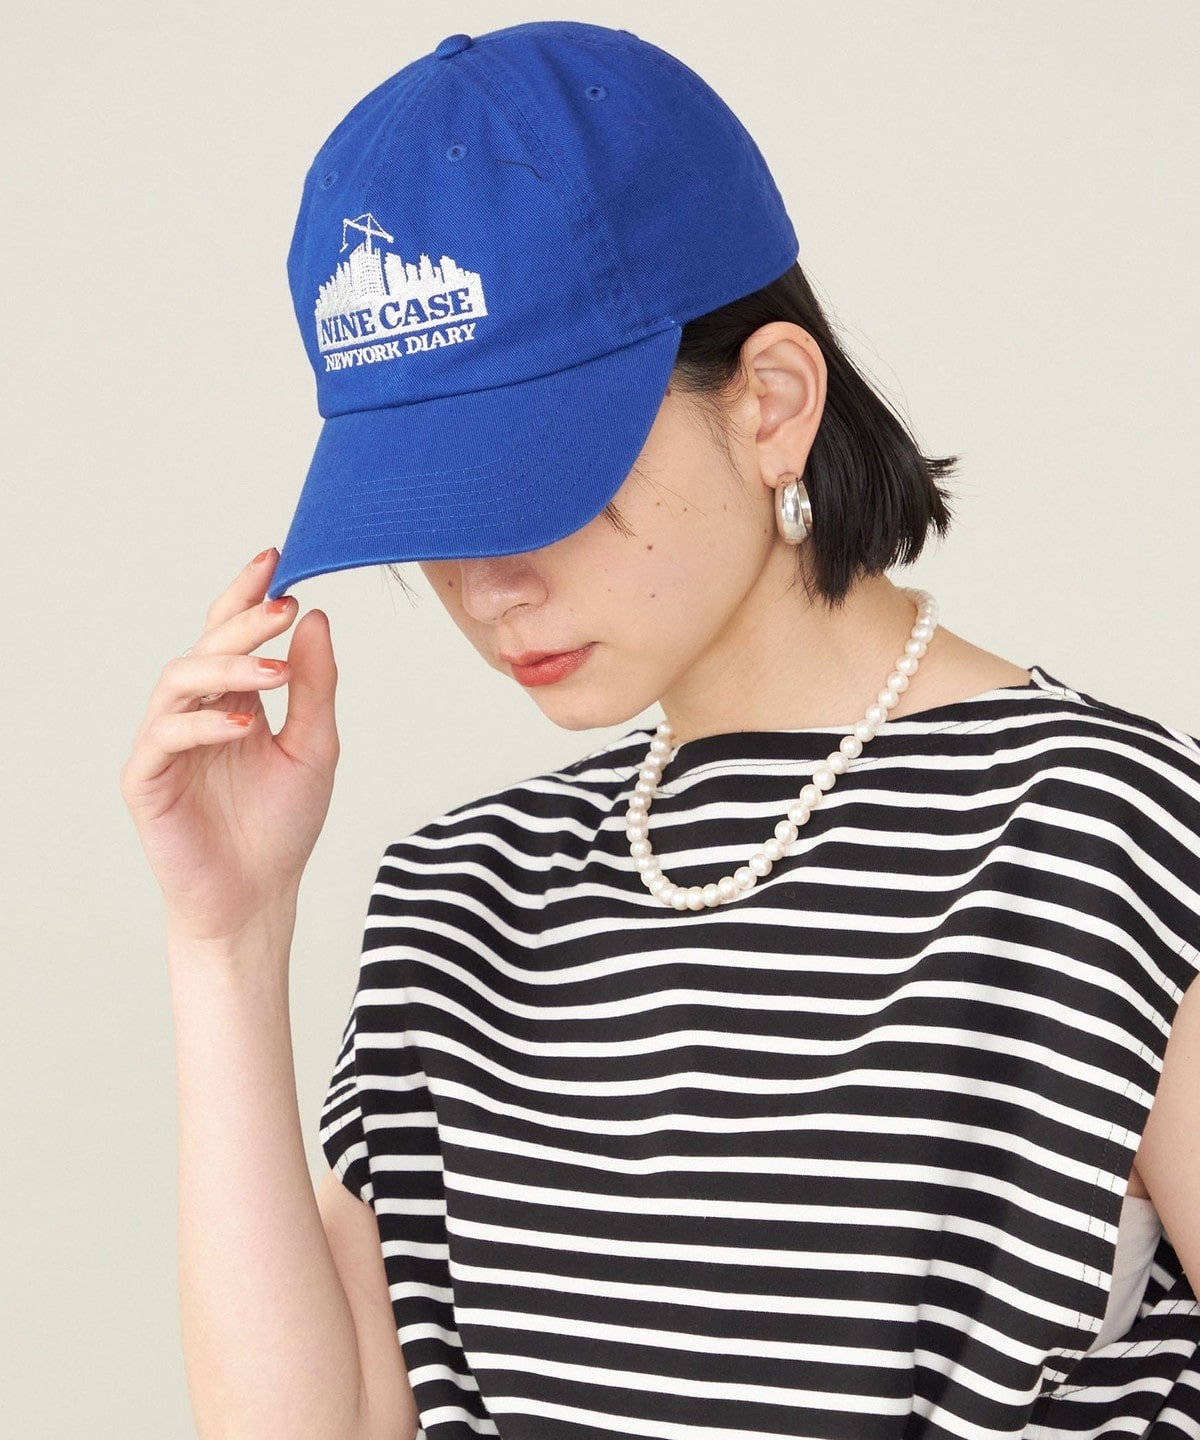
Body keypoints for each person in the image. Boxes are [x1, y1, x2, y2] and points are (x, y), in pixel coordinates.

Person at [120, 19, 1200, 1440]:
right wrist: (229, 940)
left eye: (534, 484)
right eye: (432, 515)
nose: (486, 588)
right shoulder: (465, 901)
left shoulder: (1099, 834)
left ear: (770, 405)